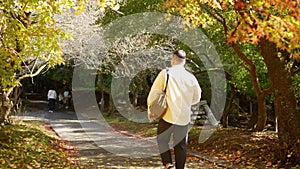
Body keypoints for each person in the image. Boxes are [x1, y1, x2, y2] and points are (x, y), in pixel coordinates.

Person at [147, 50, 202, 169]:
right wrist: (187, 103)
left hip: (168, 115)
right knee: (181, 146)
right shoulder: (191, 77)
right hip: (183, 117)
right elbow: (197, 97)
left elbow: (154, 93)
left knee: (162, 140)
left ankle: (168, 164)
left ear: (173, 59)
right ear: (184, 61)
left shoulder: (165, 73)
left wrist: (150, 110)